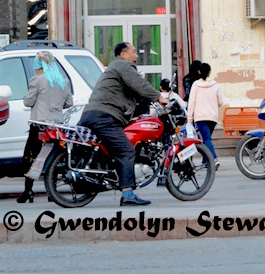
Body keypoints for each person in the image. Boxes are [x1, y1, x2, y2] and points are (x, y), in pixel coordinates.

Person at [78, 42, 169, 206]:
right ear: (123, 53)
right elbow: (139, 85)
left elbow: (132, 92)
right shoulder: (123, 66)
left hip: (92, 114)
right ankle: (128, 194)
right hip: (104, 116)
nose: (137, 55)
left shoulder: (114, 69)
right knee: (127, 151)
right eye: (134, 52)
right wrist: (159, 97)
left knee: (116, 148)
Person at [19, 51, 73, 203]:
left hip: (40, 126)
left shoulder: (37, 80)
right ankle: (51, 192)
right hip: (57, 126)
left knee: (29, 156)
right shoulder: (63, 81)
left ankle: (28, 191)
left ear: (39, 65)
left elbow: (28, 102)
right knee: (54, 158)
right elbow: (69, 103)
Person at [187, 63, 224, 170]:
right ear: (209, 72)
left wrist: (190, 119)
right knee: (206, 139)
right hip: (212, 117)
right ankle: (205, 160)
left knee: (206, 139)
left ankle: (214, 159)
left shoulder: (195, 85)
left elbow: (191, 103)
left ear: (199, 72)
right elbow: (221, 102)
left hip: (200, 117)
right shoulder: (215, 85)